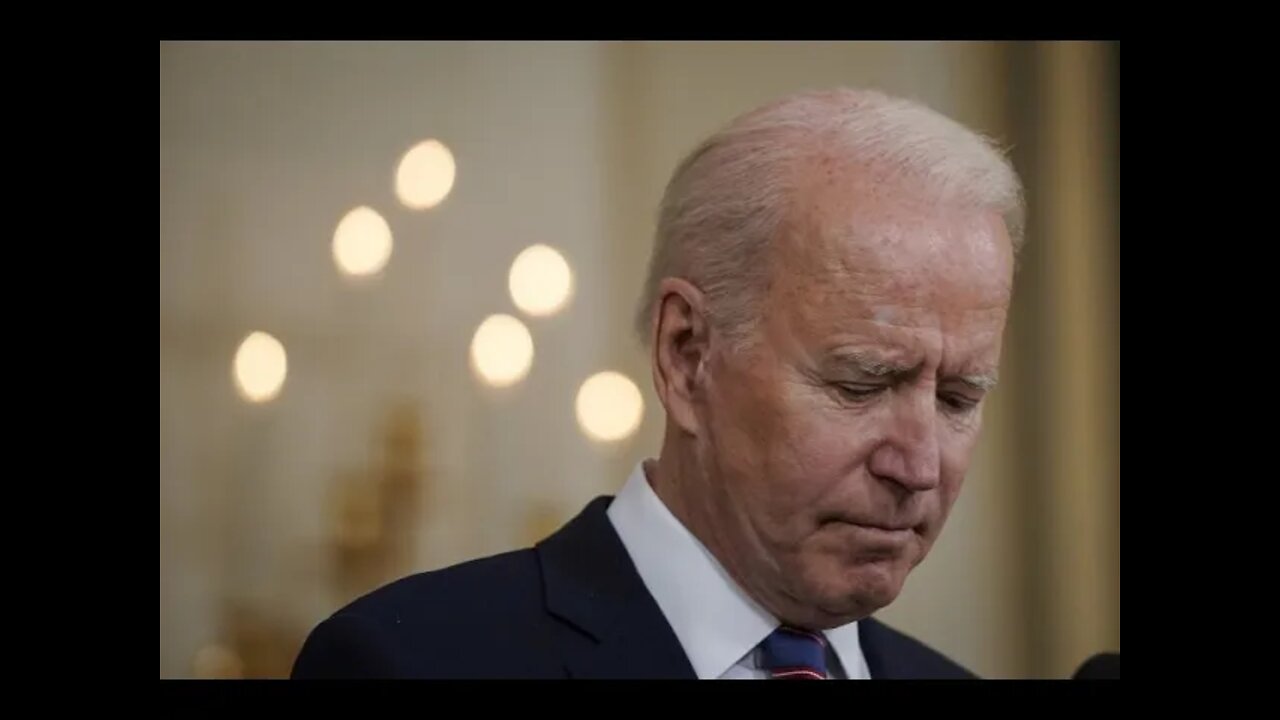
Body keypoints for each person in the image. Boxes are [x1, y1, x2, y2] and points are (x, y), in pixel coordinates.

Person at [292, 86, 1023, 680]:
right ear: (687, 353)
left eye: (958, 398)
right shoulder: (409, 662)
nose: (919, 467)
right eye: (861, 384)